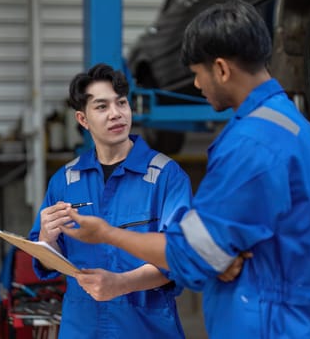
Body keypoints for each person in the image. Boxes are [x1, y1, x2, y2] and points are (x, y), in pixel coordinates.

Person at [61, 0, 310, 339]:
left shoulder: (249, 145)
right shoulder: (289, 123)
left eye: (197, 74)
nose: (196, 85)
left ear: (222, 69)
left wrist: (106, 233)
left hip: (272, 326)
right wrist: (223, 253)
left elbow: (190, 255)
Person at [28, 63, 195, 338]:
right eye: (102, 107)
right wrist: (47, 238)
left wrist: (122, 284)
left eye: (121, 103)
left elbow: (179, 257)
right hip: (81, 327)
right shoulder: (65, 180)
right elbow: (46, 261)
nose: (116, 114)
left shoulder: (166, 177)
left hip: (146, 328)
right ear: (83, 119)